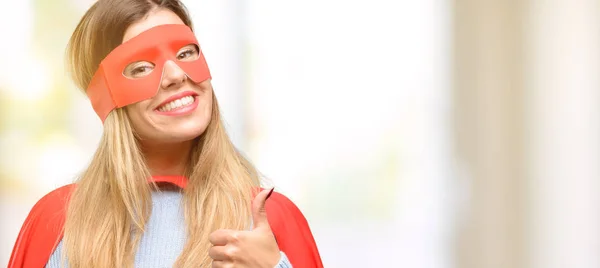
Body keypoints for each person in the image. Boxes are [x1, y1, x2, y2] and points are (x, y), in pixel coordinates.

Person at [7, 0, 323, 267]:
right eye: (141, 68)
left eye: (186, 53)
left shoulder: (269, 221)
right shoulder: (56, 222)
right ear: (107, 98)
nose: (176, 74)